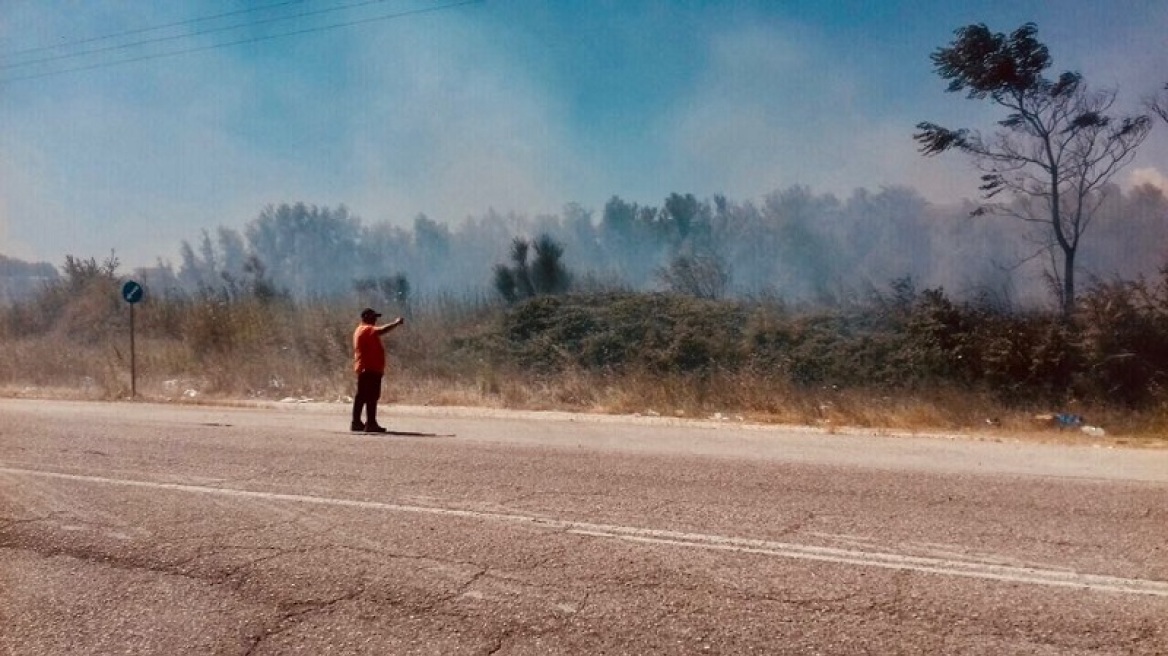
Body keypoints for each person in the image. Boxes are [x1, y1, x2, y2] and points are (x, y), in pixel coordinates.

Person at [351, 307, 404, 432]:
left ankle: (358, 423)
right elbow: (382, 330)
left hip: (369, 368)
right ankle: (370, 423)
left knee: (363, 396)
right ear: (365, 318)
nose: (375, 319)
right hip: (369, 369)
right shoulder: (365, 329)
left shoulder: (362, 330)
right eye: (373, 317)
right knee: (370, 396)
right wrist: (396, 323)